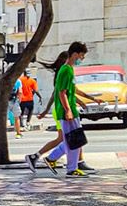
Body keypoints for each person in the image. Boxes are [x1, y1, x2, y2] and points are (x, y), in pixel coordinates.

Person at [25, 42, 97, 177]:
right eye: (81, 56)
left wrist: (89, 99)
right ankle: (70, 168)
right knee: (74, 140)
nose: (81, 59)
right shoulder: (65, 70)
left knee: (75, 140)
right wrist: (68, 110)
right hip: (66, 112)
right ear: (75, 54)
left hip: (69, 110)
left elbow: (71, 90)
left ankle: (52, 159)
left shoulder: (68, 70)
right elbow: (61, 93)